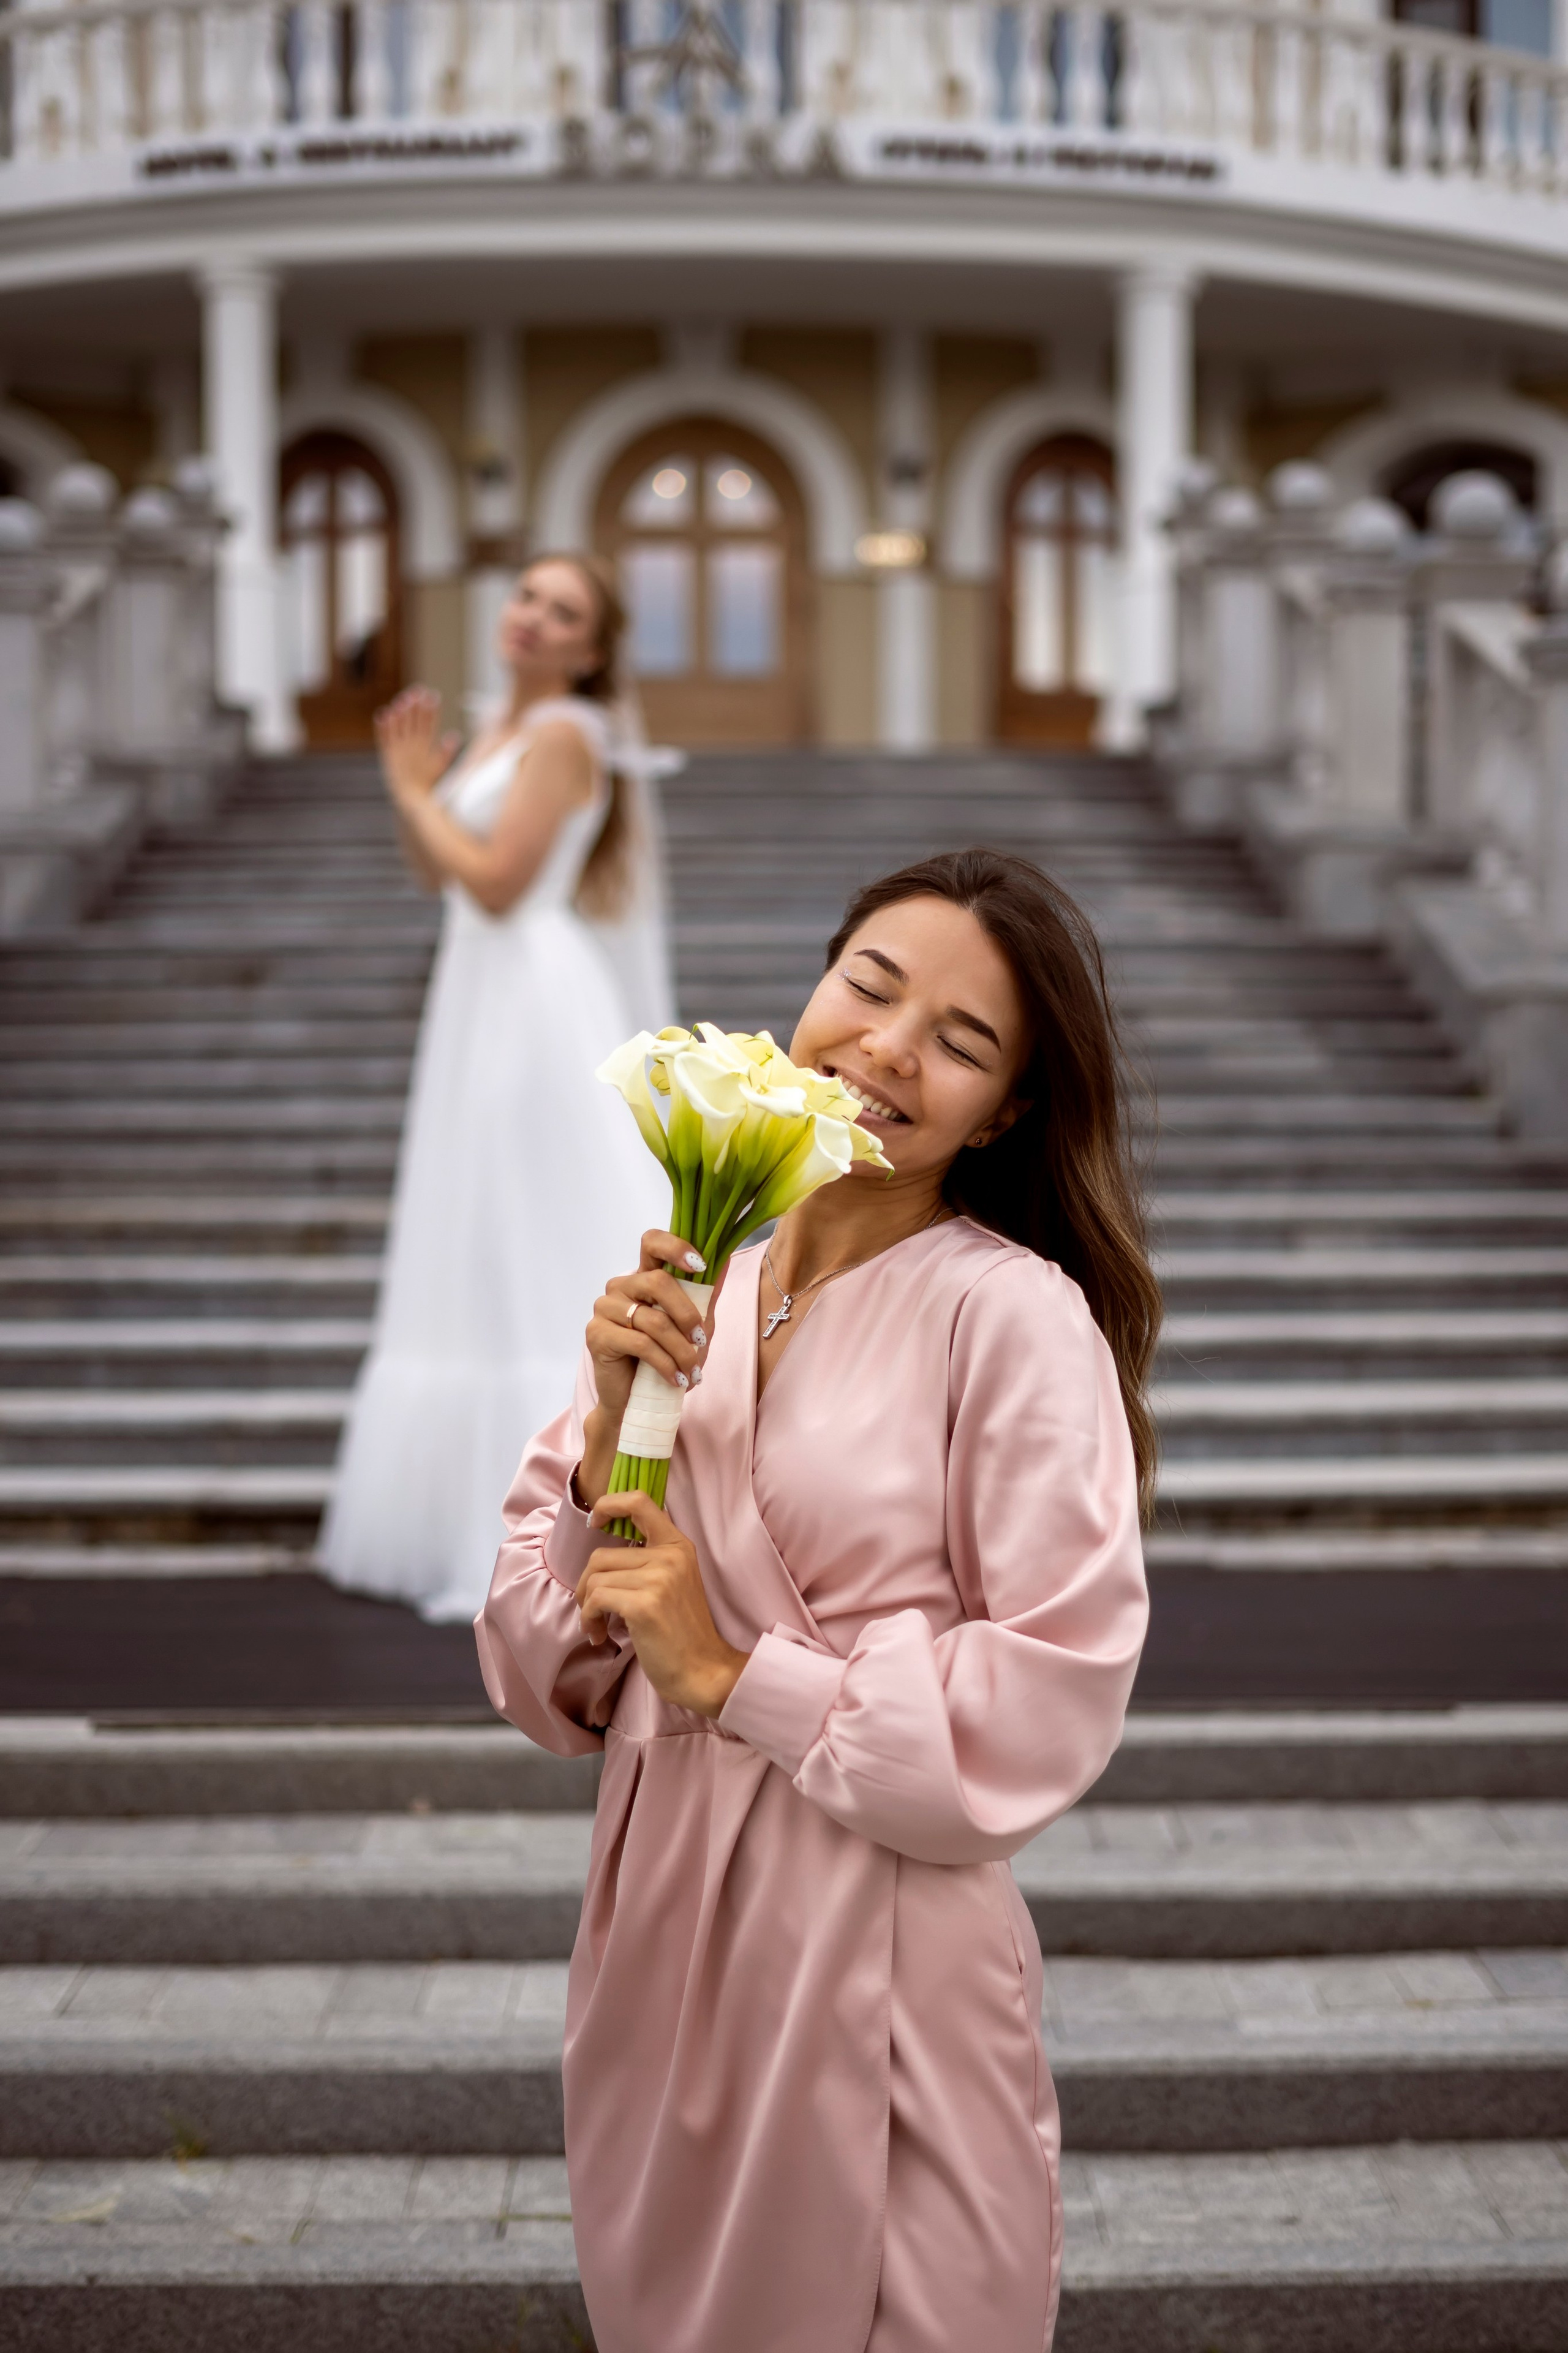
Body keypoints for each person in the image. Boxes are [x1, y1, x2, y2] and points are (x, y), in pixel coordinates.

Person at [477, 847, 1161, 2353]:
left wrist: (738, 1677)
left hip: (877, 1934)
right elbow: (540, 1678)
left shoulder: (1011, 1316)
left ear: (1007, 1110)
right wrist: (605, 1447)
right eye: (870, 984)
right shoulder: (695, 1287)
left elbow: (1053, 1684)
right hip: (656, 1933)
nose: (888, 1048)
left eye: (960, 1040)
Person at [319, 554, 673, 1623]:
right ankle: (475, 1515)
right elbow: (437, 872)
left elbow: (499, 881)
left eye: (563, 611)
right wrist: (420, 796)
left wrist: (408, 791)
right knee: (470, 1236)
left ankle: (550, 1520)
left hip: (531, 1000)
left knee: (530, 1232)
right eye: (527, 596)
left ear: (592, 650)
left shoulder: (565, 733)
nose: (532, 617)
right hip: (474, 991)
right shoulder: (497, 727)